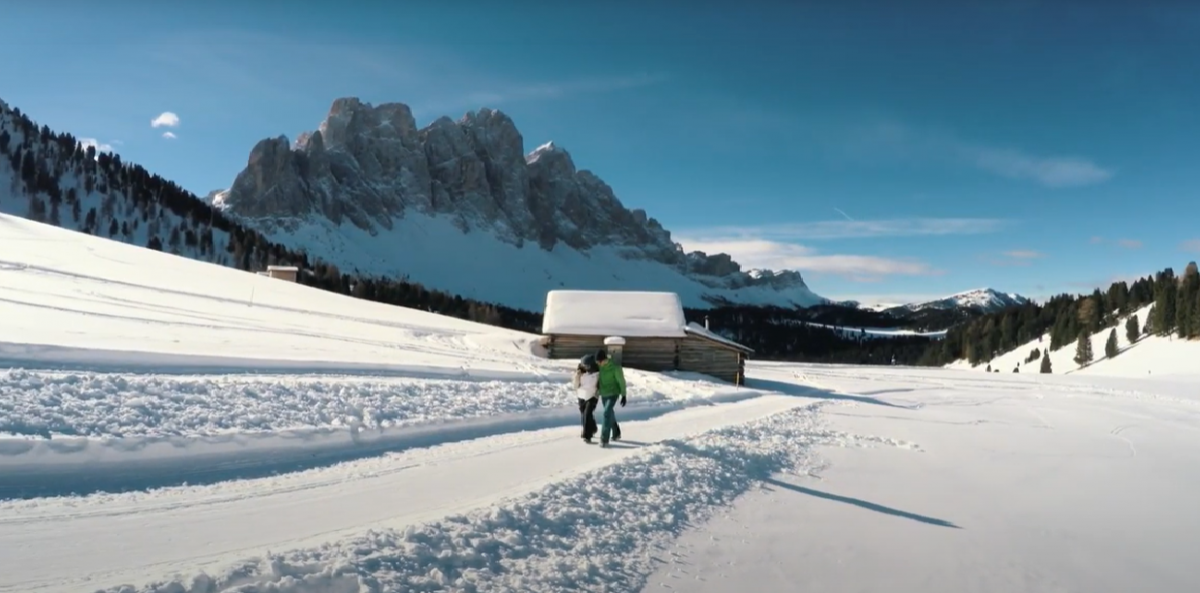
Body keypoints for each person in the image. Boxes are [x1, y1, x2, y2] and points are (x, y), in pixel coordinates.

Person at [595, 349, 626, 447]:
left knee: (606, 412)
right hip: (604, 393)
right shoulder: (600, 367)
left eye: (600, 361)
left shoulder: (615, 368)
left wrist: (623, 395)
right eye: (597, 362)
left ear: (605, 359)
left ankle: (604, 439)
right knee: (609, 413)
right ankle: (616, 432)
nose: (599, 364)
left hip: (613, 393)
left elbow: (621, 381)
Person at [572, 353, 601, 443]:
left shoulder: (598, 373)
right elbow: (575, 385)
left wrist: (598, 393)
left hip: (592, 396)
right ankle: (593, 428)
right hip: (582, 396)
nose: (585, 367)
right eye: (583, 365)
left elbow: (600, 385)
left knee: (587, 413)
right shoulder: (580, 373)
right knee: (584, 414)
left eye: (586, 365)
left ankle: (587, 435)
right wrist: (577, 376)